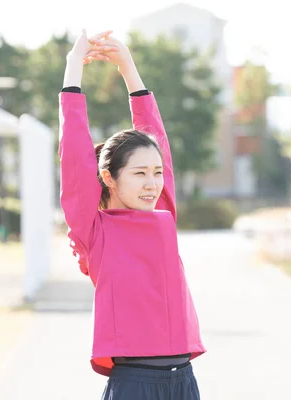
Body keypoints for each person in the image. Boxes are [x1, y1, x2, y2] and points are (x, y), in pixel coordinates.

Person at [59, 29, 206, 399]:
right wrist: (73, 66)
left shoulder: (163, 216)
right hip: (135, 384)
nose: (152, 183)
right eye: (139, 174)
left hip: (183, 381)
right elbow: (75, 154)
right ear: (108, 177)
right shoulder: (95, 230)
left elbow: (155, 138)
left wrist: (128, 67)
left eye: (156, 174)